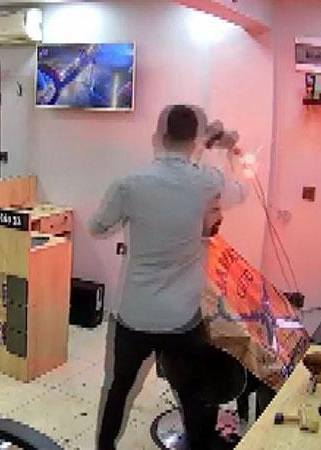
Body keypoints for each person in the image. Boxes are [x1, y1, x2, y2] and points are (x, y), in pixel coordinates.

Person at [89, 105, 244, 450]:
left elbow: (96, 226)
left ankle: (105, 447)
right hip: (181, 317)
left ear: (158, 137)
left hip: (135, 313)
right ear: (194, 140)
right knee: (193, 393)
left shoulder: (129, 185)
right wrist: (223, 148)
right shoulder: (206, 180)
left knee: (119, 387)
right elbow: (239, 192)